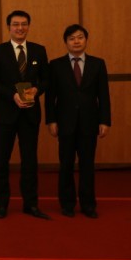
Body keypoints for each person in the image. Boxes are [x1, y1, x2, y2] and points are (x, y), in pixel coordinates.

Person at [0, 10, 50, 219]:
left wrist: (37, 90)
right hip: (5, 114)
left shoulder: (39, 50)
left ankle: (30, 205)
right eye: (15, 24)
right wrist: (12, 95)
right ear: (9, 27)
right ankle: (2, 204)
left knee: (30, 161)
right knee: (1, 161)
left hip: (30, 114)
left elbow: (47, 80)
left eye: (24, 24)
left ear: (28, 26)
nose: (20, 28)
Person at [46, 24, 111, 218]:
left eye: (80, 37)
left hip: (89, 123)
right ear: (66, 42)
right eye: (72, 38)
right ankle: (67, 204)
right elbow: (50, 97)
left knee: (87, 166)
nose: (76, 41)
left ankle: (88, 205)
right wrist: (51, 120)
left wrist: (105, 121)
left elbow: (103, 95)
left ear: (86, 40)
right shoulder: (55, 65)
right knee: (65, 165)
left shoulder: (98, 64)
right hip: (64, 123)